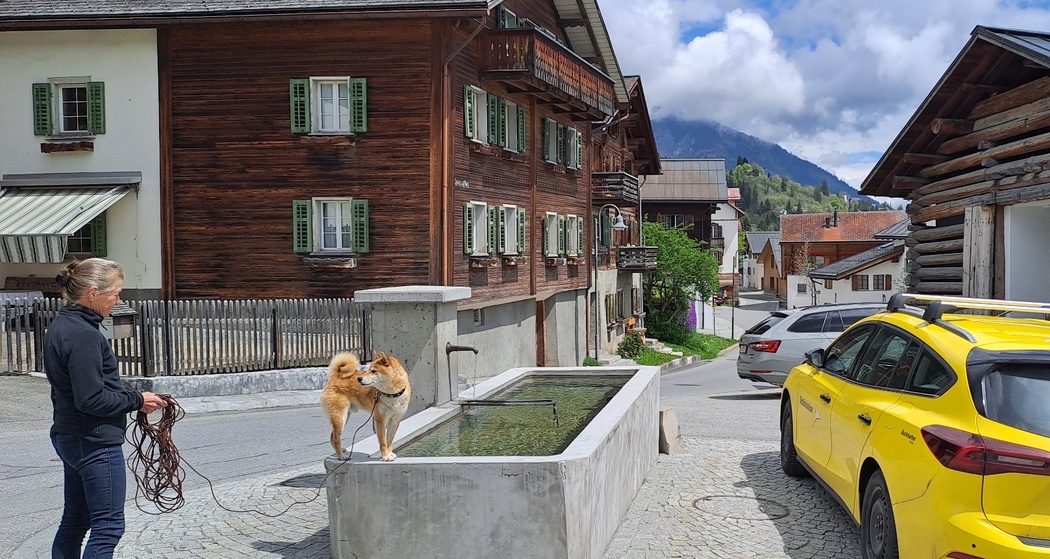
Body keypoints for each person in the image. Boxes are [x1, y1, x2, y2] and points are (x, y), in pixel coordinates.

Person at [43, 258, 167, 559]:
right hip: (93, 440)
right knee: (108, 527)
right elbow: (92, 399)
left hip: (71, 435)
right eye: (116, 292)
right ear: (93, 292)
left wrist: (132, 395)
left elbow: (89, 386)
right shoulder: (83, 335)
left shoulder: (63, 325)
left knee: (75, 522)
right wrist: (138, 401)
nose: (119, 300)